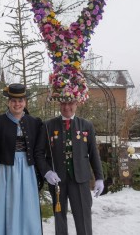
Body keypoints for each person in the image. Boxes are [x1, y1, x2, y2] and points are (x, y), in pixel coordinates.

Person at [0, 83, 43, 235]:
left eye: (21, 100)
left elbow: (38, 152)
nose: (17, 104)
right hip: (5, 172)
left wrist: (41, 173)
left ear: (25, 102)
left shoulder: (35, 123)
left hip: (28, 172)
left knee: (28, 207)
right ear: (8, 102)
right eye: (14, 100)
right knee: (6, 206)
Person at [35, 100, 104, 235]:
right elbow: (38, 153)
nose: (67, 107)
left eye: (70, 103)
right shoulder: (48, 125)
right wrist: (47, 171)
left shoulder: (86, 125)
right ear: (59, 105)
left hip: (80, 179)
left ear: (76, 104)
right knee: (59, 219)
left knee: (83, 217)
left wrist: (99, 177)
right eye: (63, 104)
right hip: (57, 181)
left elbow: (93, 153)